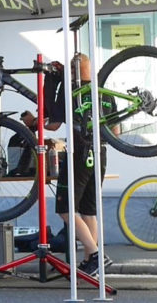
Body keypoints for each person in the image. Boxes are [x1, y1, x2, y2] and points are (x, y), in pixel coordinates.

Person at [45, 53, 117, 276]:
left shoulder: (70, 91)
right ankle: (89, 262)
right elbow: (116, 131)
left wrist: (33, 124)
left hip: (78, 153)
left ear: (73, 71)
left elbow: (54, 125)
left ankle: (95, 254)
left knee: (65, 209)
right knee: (88, 210)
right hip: (100, 153)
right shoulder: (103, 91)